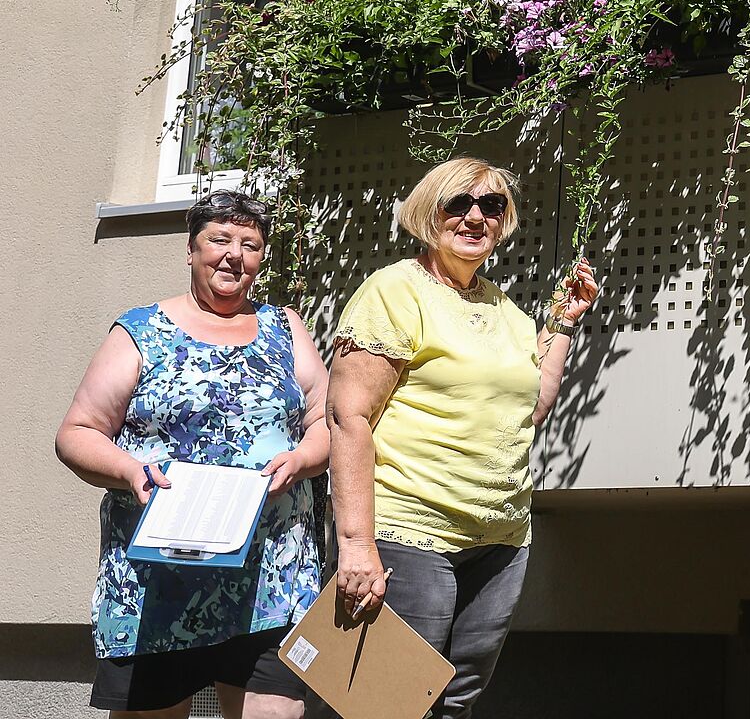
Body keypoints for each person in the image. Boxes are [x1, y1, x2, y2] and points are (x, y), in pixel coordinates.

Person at [326, 156, 599, 718]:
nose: (476, 217)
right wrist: (356, 543)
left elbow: (532, 408)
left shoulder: (502, 307)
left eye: (492, 206)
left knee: (457, 701)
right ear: (431, 212)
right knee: (388, 703)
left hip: (499, 540)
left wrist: (564, 324)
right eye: (460, 204)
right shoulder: (395, 291)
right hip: (412, 529)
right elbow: (348, 418)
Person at [56, 190, 329, 719]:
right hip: (159, 585)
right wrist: (128, 469)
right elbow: (78, 431)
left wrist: (303, 459)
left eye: (250, 244)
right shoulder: (140, 330)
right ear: (191, 249)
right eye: (219, 239)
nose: (234, 255)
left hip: (270, 580)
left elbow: (325, 420)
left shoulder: (285, 328)